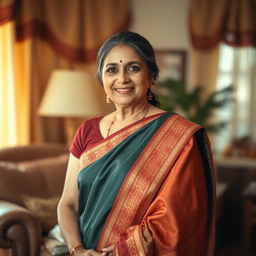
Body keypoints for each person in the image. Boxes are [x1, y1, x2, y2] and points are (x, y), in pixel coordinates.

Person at [57, 31, 216, 256]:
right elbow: (68, 204)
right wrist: (77, 250)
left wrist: (122, 251)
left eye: (133, 68)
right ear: (102, 78)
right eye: (112, 69)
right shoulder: (87, 130)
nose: (122, 78)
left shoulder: (178, 136)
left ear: (151, 76)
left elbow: (179, 219)